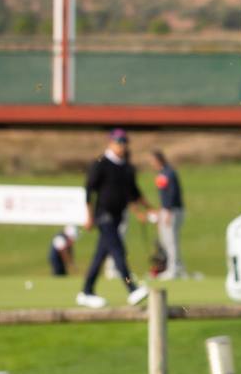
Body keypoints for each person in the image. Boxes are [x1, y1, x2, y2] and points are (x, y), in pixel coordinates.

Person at [78, 128, 151, 308]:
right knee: (118, 252)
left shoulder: (126, 167)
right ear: (110, 143)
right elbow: (89, 190)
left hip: (118, 217)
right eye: (118, 142)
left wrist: (147, 210)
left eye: (124, 142)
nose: (121, 146)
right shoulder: (101, 163)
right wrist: (88, 216)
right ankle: (132, 289)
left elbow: (133, 193)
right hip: (103, 216)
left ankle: (86, 291)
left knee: (100, 255)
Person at [150, 150, 186, 279]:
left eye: (153, 161)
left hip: (172, 211)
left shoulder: (169, 173)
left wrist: (168, 212)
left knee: (171, 241)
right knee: (166, 241)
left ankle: (174, 269)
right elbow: (163, 196)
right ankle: (177, 267)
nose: (151, 164)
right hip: (165, 210)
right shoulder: (162, 173)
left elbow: (172, 193)